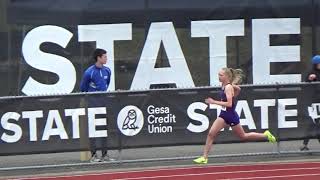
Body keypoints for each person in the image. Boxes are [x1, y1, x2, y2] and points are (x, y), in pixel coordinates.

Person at [193, 67, 277, 164]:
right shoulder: (225, 85)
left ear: (227, 76)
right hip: (223, 115)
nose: (219, 77)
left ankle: (265, 135)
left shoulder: (228, 87)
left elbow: (229, 104)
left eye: (221, 75)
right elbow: (238, 89)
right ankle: (204, 157)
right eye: (218, 75)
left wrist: (214, 102)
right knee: (211, 133)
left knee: (243, 136)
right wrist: (234, 91)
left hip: (231, 115)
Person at [80, 48, 113, 162]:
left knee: (104, 129)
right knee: (93, 130)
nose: (106, 58)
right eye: (104, 56)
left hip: (103, 104)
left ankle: (105, 154)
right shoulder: (89, 72)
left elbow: (106, 85)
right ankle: (93, 155)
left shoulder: (108, 70)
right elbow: (83, 88)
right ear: (98, 58)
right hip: (92, 104)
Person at [300, 55, 320, 151]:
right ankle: (305, 144)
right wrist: (310, 79)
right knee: (314, 123)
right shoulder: (311, 73)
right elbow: (305, 81)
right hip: (314, 103)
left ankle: (304, 144)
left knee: (316, 124)